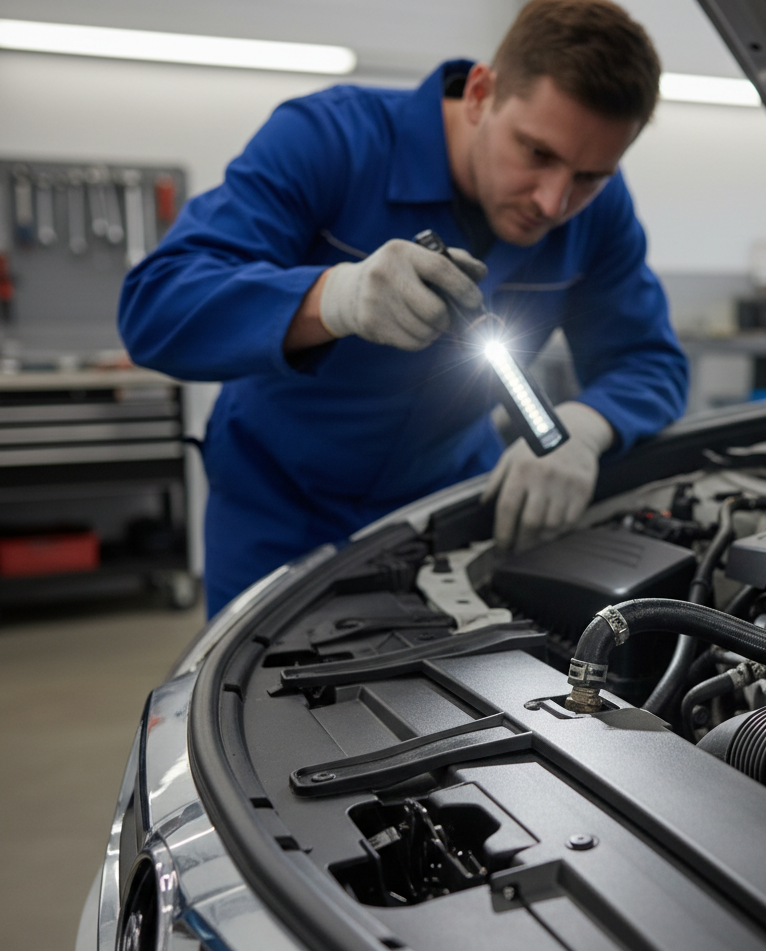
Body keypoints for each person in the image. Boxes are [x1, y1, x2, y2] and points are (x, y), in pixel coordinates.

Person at [119, 0, 689, 616]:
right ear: (480, 94)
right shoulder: (329, 140)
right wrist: (331, 298)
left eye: (589, 175)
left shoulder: (600, 212)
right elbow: (157, 306)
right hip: (277, 512)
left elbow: (650, 361)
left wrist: (586, 426)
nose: (554, 203)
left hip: (445, 514)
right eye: (537, 154)